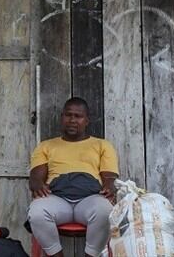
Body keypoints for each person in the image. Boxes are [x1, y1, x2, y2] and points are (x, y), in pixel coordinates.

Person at [27, 97, 118, 257]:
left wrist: (110, 186)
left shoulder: (102, 145)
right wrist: (36, 184)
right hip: (57, 199)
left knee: (106, 211)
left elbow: (109, 177)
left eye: (78, 116)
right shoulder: (46, 146)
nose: (72, 120)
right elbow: (36, 176)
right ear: (62, 117)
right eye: (68, 115)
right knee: (36, 212)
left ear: (87, 120)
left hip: (90, 199)